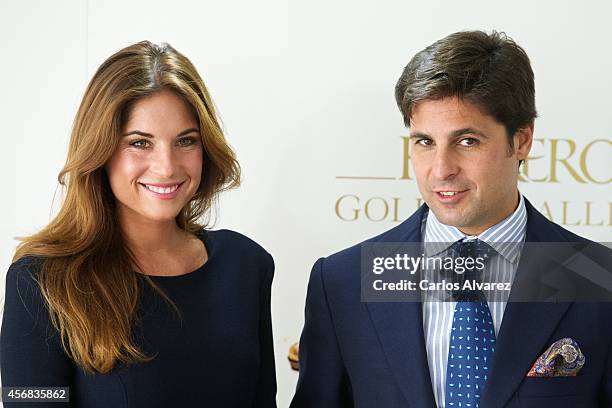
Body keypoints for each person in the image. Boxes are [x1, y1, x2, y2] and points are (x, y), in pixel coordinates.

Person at [291, 30, 612, 407]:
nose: (441, 169)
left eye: (467, 141)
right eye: (425, 142)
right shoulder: (345, 281)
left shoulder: (595, 276)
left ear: (522, 139)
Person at [1, 41, 276, 407]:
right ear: (100, 150)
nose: (166, 166)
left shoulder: (246, 264)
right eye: (139, 143)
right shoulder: (41, 280)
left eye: (186, 141)